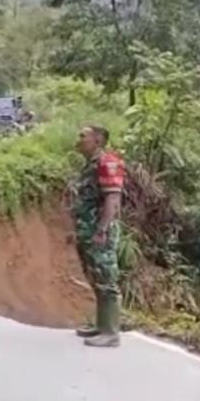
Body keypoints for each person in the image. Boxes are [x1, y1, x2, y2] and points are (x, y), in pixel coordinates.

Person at [71, 125, 125, 348]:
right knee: (96, 278)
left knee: (106, 280)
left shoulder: (106, 162)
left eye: (83, 135)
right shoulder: (90, 165)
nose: (79, 138)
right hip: (88, 229)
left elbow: (112, 199)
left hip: (100, 231)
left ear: (98, 140)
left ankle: (111, 333)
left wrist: (102, 230)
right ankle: (101, 326)